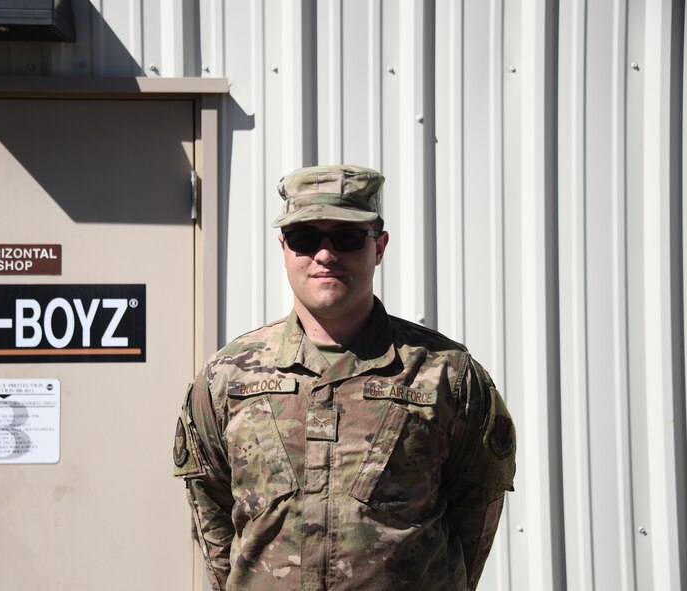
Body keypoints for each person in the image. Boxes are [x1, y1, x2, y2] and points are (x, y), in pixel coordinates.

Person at [173, 164, 516, 591]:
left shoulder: (445, 374)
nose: (325, 255)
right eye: (304, 238)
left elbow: (476, 506)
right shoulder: (228, 377)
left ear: (379, 247)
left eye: (348, 237)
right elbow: (212, 507)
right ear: (283, 247)